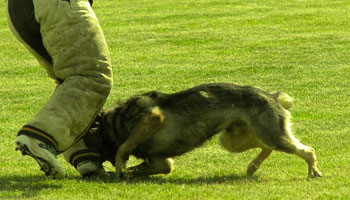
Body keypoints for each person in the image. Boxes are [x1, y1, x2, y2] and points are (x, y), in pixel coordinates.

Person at [6, 0, 113, 179]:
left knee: (70, 78)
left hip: (20, 9)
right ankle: (40, 137)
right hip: (58, 5)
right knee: (89, 76)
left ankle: (86, 155)